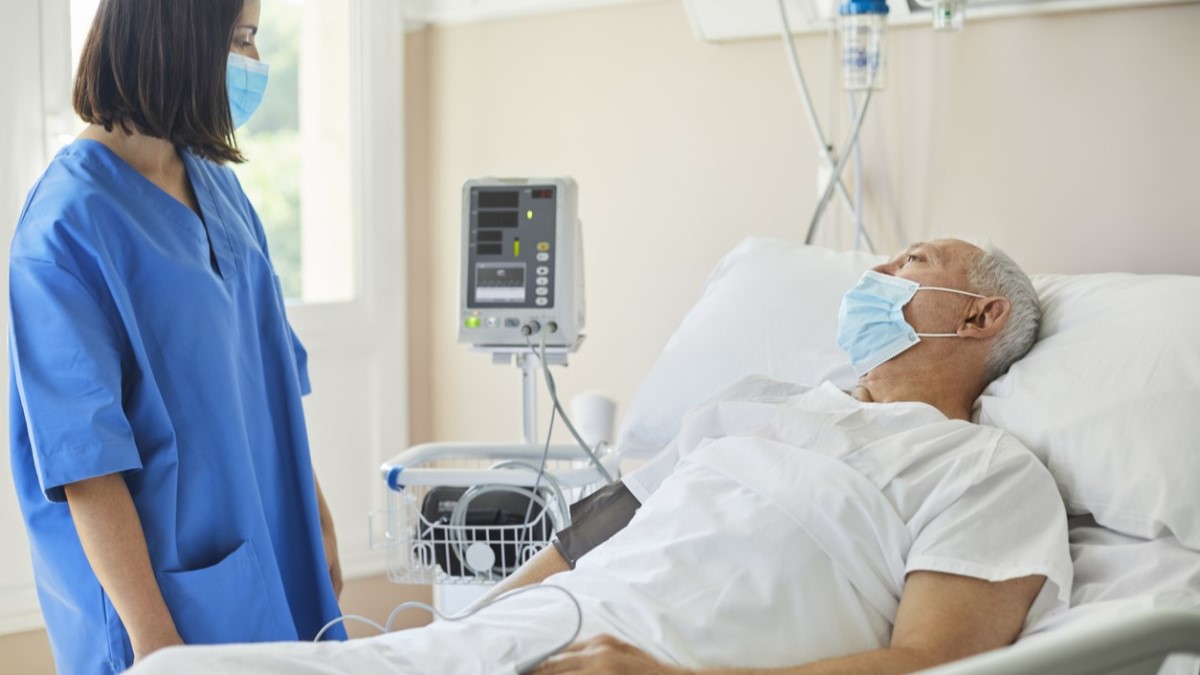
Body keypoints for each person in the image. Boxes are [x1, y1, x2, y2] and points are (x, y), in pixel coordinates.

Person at [131, 238, 1072, 675]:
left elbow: (933, 662)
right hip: (538, 627)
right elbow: (608, 514)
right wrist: (482, 619)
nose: (875, 274)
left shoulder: (983, 472)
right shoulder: (764, 406)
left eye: (911, 262)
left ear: (981, 316)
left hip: (657, 661)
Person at [8, 1, 345, 672]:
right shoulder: (64, 231)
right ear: (177, 38)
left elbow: (270, 382)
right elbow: (85, 463)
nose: (251, 63)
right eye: (240, 39)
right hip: (161, 603)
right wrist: (157, 645)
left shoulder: (216, 185)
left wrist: (318, 520)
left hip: (273, 551)